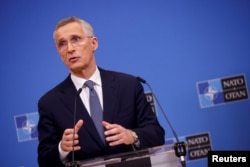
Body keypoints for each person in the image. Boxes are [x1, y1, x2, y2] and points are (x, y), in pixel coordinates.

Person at [37, 16, 165, 167]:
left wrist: (132, 136)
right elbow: (44, 159)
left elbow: (156, 133)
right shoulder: (50, 103)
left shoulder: (128, 85)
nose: (70, 49)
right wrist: (62, 149)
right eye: (62, 44)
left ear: (93, 43)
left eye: (76, 39)